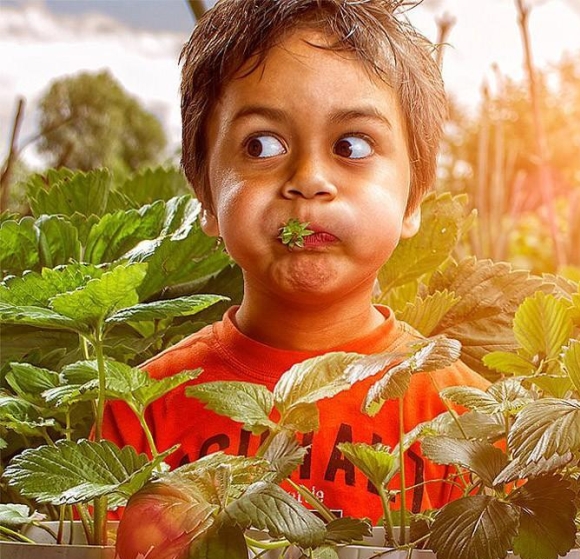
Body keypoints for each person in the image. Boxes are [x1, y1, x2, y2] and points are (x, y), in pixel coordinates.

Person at [103, 0, 489, 524]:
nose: (309, 178)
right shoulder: (139, 412)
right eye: (261, 145)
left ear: (414, 199)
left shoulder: (471, 418)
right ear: (206, 198)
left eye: (352, 146)